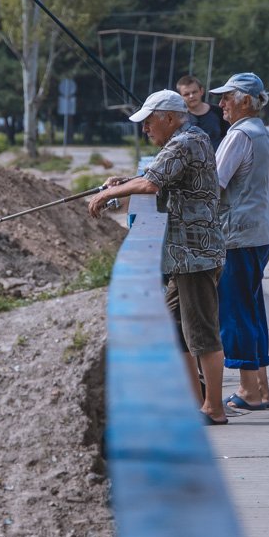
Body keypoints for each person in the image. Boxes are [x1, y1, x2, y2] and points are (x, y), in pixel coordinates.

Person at [88, 90, 228, 425]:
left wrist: (108, 193)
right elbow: (157, 176)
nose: (145, 129)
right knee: (172, 327)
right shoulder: (184, 140)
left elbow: (151, 184)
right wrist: (123, 183)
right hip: (182, 255)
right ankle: (192, 402)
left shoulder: (184, 142)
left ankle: (215, 408)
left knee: (202, 333)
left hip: (195, 255)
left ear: (168, 117)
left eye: (149, 121)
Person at [209, 72, 269, 412]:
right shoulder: (263, 134)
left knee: (236, 313)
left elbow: (213, 184)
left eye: (226, 97)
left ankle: (248, 390)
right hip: (261, 234)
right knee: (252, 312)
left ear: (245, 101)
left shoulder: (238, 136)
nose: (220, 104)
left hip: (238, 235)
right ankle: (262, 389)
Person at [176, 74, 228, 147]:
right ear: (180, 97)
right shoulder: (178, 118)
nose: (191, 96)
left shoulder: (219, 112)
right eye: (186, 94)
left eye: (194, 92)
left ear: (201, 91)